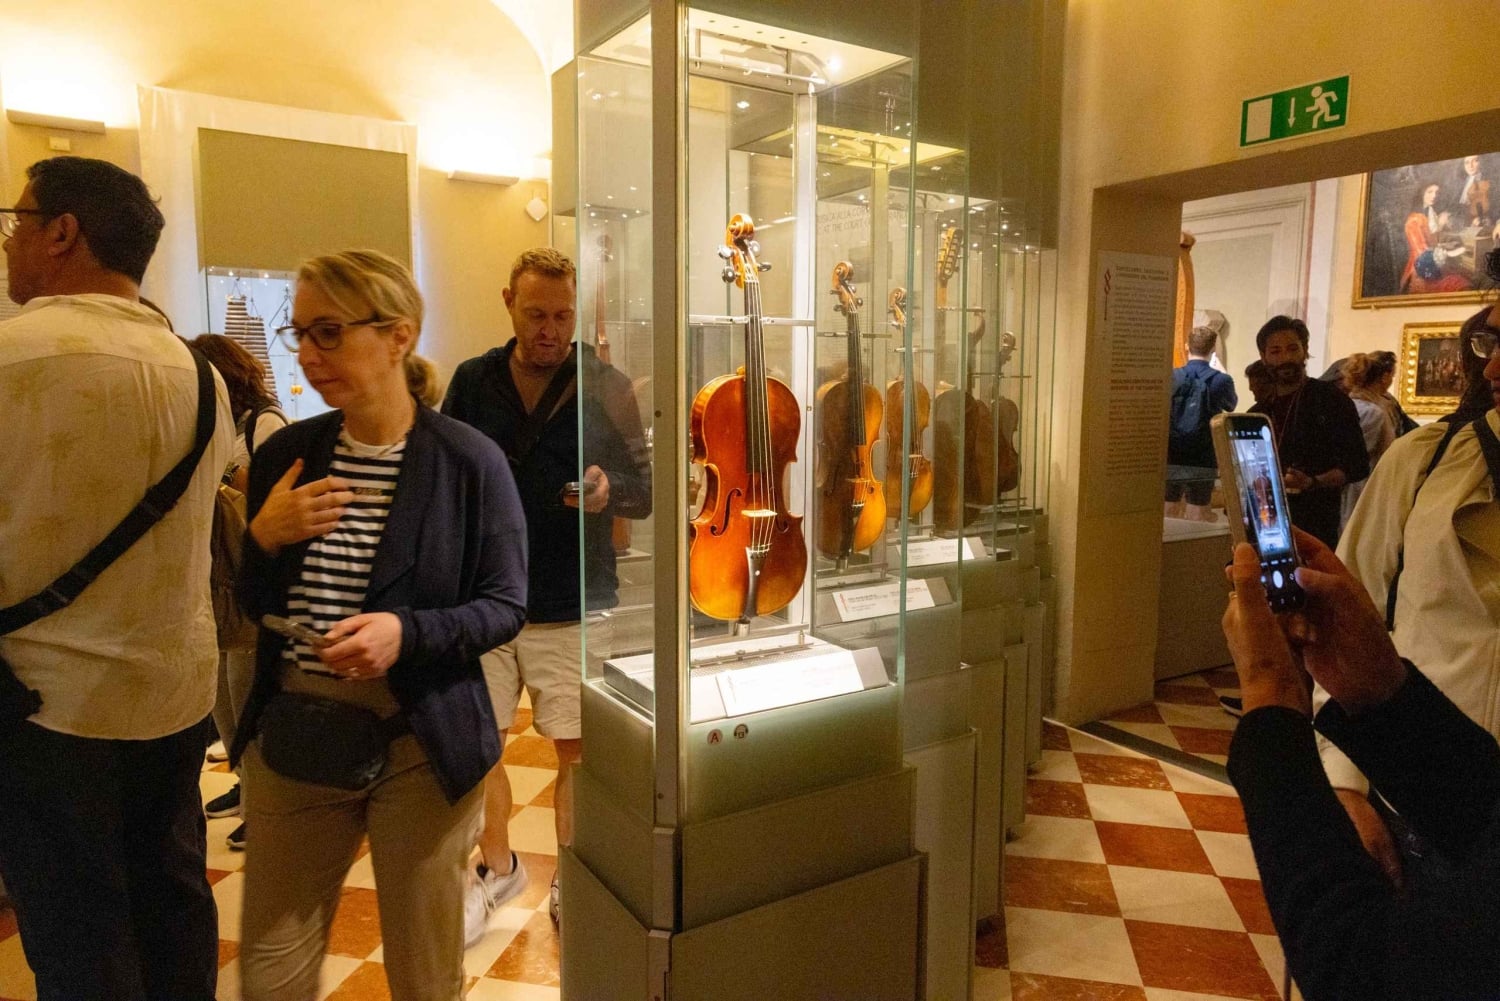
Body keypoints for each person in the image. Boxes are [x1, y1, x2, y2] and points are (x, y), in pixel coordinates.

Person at [231, 249, 527, 1001]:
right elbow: (248, 604)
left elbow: (503, 602)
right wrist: (261, 536)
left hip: (420, 740)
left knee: (425, 972)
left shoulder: (468, 462)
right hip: (298, 727)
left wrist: (405, 633)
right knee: (272, 964)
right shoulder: (288, 455)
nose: (306, 352)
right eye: (297, 332)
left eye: (327, 331)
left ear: (398, 336)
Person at [0, 156, 232, 1000]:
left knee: (76, 931)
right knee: (172, 905)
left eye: (16, 221)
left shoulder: (9, 358)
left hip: (44, 703)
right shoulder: (201, 376)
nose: (8, 242)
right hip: (171, 699)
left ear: (63, 232)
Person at [443, 247, 650, 942]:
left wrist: (608, 492)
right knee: (479, 749)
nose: (550, 330)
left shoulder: (608, 383)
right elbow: (443, 478)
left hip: (574, 598)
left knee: (575, 755)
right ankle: (496, 866)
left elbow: (646, 490)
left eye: (562, 315)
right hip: (486, 598)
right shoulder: (472, 382)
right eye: (536, 314)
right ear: (508, 302)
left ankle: (570, 874)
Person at [1222, 529, 1500, 1000]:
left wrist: (1272, 705)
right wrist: (1382, 696)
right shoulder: (1428, 459)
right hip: (1425, 802)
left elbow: (1365, 972)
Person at [1325, 300, 1500, 885]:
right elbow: (1346, 621)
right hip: (1417, 795)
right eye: (1490, 344)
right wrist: (1345, 785)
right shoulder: (1426, 460)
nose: (1494, 369)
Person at [190, 333, 289, 851]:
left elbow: (277, 495)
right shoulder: (225, 424)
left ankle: (264, 804)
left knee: (248, 696)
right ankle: (246, 784)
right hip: (229, 571)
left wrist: (232, 480)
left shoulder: (264, 423)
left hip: (257, 573)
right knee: (227, 702)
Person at [1249, 315, 1368, 549]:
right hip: (1264, 524)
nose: (1286, 358)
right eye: (1275, 351)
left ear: (1305, 351)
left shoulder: (1331, 400)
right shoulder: (1257, 412)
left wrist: (1312, 482)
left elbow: (1357, 465)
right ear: (1264, 357)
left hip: (1315, 526)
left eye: (1293, 349)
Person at [1165, 324, 1237, 519]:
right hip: (1204, 455)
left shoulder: (1171, 376)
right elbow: (1231, 406)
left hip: (1172, 452)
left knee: (1167, 509)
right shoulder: (1221, 380)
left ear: (1187, 346)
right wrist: (1221, 370)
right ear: (1213, 349)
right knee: (1198, 509)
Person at [1338, 350, 1399, 526]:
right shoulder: (1372, 413)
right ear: (1385, 377)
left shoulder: (1353, 406)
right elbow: (1357, 456)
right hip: (1362, 487)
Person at [1400, 181, 1472, 295]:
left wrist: (1443, 246)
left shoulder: (1430, 213)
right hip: (1421, 271)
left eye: (1437, 192)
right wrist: (1451, 253)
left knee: (1469, 275)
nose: (1434, 196)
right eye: (1430, 192)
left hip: (1432, 264)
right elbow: (1422, 254)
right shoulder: (1413, 221)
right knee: (1461, 283)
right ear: (1422, 194)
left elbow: (1431, 242)